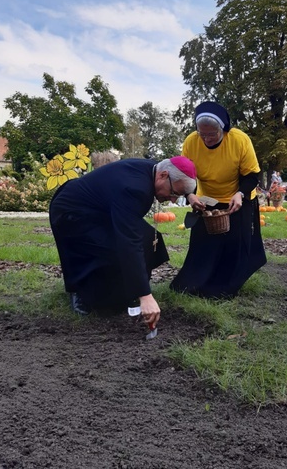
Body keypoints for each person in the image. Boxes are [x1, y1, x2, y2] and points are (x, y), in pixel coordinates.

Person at [49, 156, 197, 328]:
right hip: (73, 212)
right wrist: (145, 296)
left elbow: (178, 179)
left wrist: (190, 195)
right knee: (112, 251)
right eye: (173, 193)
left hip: (102, 210)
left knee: (148, 237)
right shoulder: (135, 189)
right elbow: (129, 242)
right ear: (163, 175)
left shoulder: (156, 169)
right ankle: (82, 291)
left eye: (177, 195)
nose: (172, 199)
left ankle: (129, 288)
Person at [170, 101, 267, 299]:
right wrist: (190, 194)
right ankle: (195, 282)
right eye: (202, 134)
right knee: (203, 243)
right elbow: (186, 173)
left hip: (238, 195)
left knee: (234, 243)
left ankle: (224, 288)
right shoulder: (191, 141)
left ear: (222, 129)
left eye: (212, 134)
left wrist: (240, 194)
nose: (206, 139)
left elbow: (251, 175)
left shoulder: (239, 140)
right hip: (207, 197)